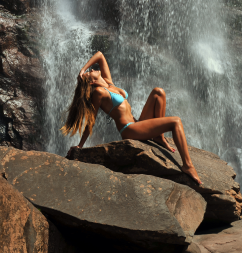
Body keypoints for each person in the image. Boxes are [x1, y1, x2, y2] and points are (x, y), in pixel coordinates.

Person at [61, 51, 202, 185]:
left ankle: (159, 137)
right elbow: (91, 121)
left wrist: (82, 69)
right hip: (129, 129)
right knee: (175, 121)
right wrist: (80, 145)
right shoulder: (99, 93)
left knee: (158, 92)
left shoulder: (109, 83)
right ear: (91, 82)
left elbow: (100, 55)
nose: (90, 70)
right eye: (87, 73)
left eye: (89, 70)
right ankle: (187, 165)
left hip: (137, 123)